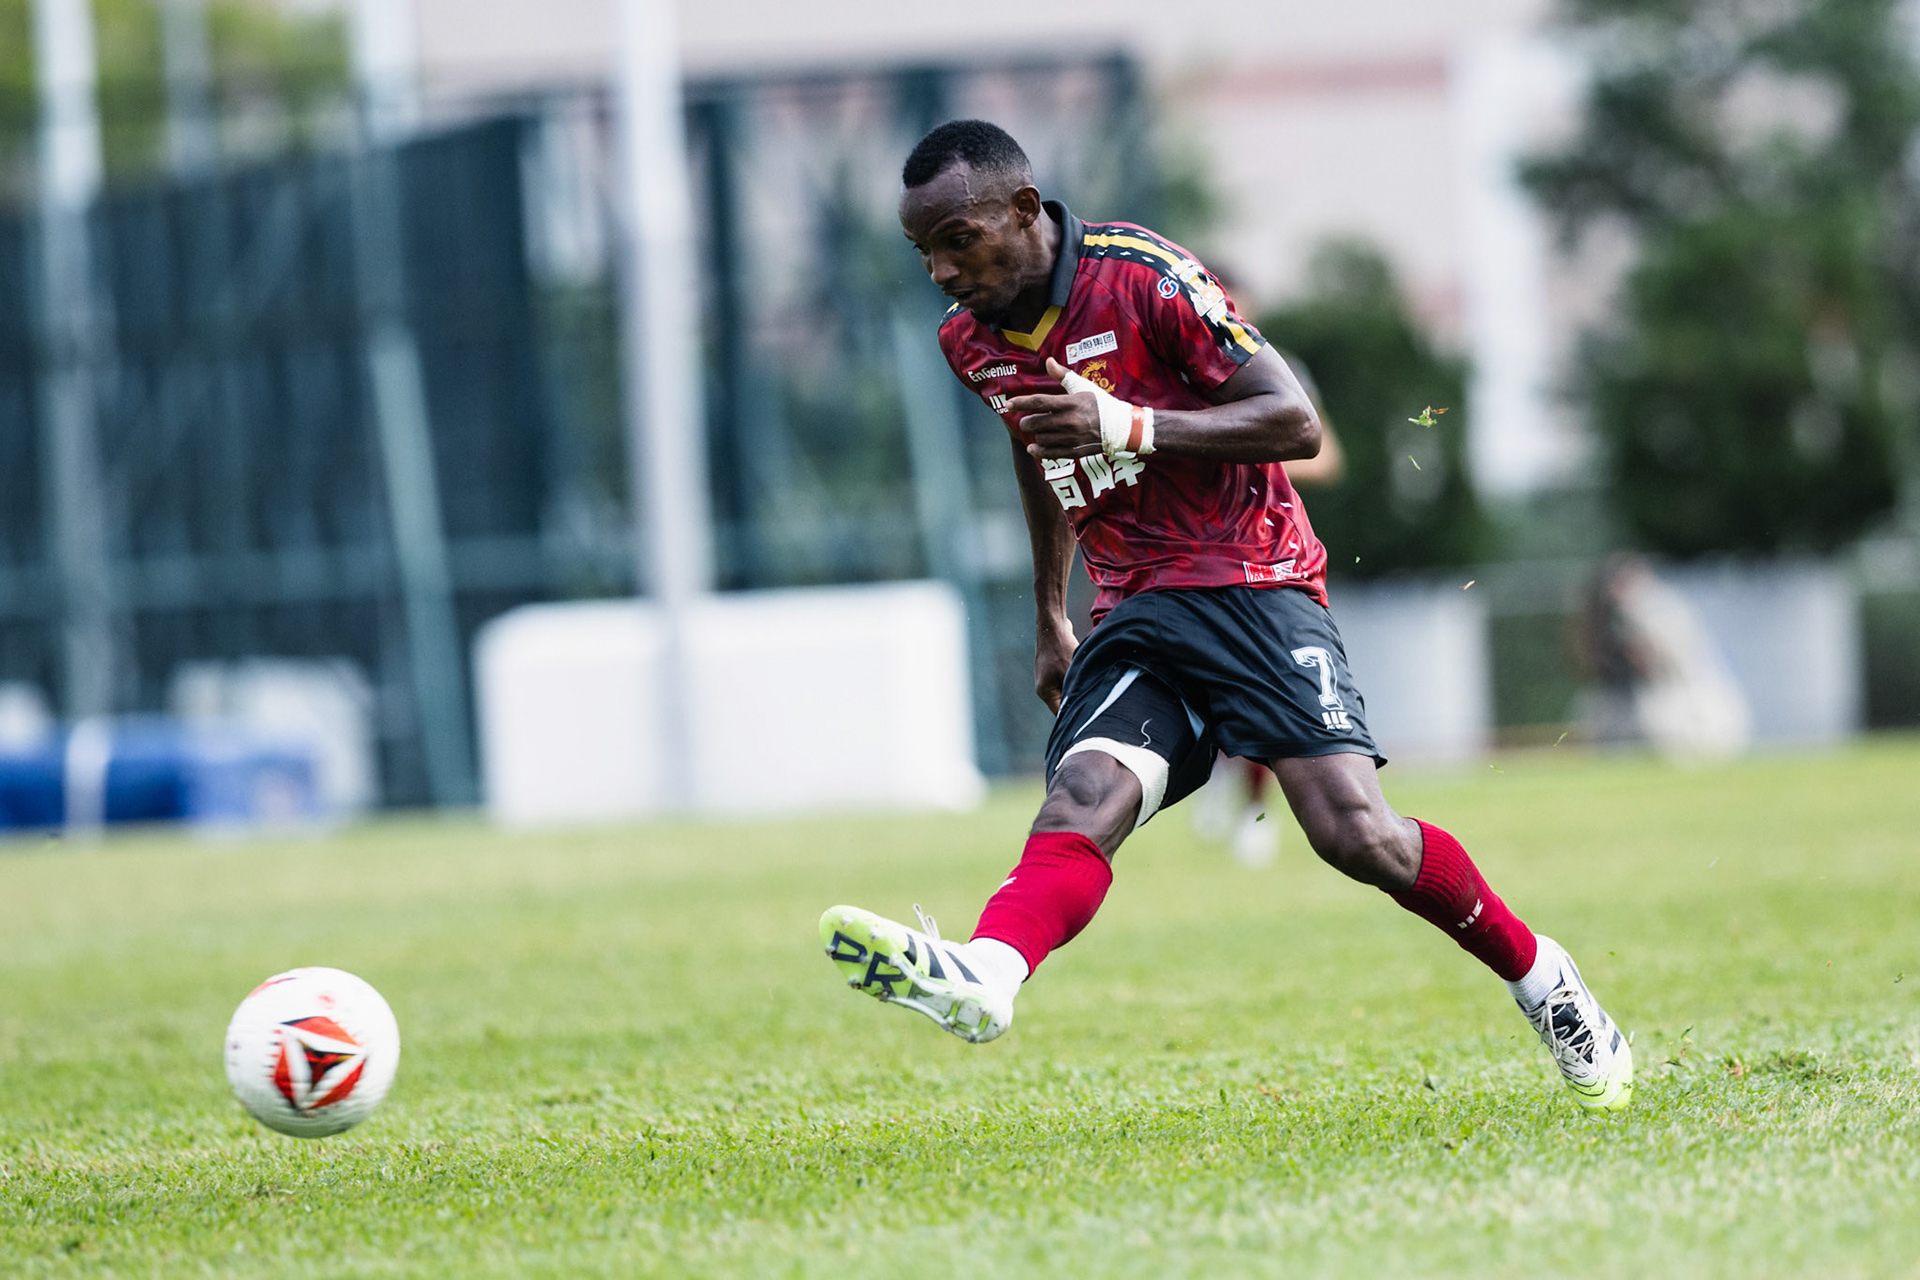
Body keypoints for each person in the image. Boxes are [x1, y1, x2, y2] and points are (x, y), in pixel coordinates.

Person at [818, 120, 1632, 1111]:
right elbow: (1037, 449)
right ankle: (987, 971)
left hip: (1254, 579)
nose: (942, 271)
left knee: (1353, 833)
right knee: (1084, 799)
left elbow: (1296, 422)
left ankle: (1543, 976)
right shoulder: (969, 342)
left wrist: (1131, 424)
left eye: (957, 238)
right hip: (1134, 602)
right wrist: (1049, 610)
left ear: (1026, 210)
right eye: (923, 251)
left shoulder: (1146, 276)